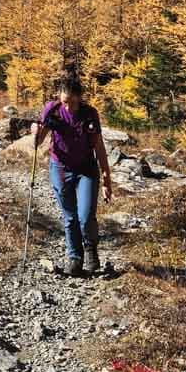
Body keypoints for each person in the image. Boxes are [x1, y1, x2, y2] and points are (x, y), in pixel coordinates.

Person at [30, 76, 112, 277]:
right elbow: (39, 141)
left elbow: (99, 147)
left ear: (80, 98)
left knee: (85, 216)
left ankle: (91, 249)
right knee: (70, 217)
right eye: (65, 101)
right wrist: (35, 132)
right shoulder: (53, 109)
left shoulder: (89, 114)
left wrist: (106, 179)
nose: (69, 107)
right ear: (60, 97)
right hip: (60, 168)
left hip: (86, 169)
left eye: (73, 102)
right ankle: (75, 257)